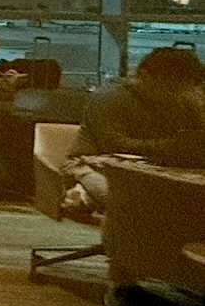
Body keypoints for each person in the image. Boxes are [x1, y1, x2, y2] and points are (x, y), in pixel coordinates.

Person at [63, 45, 205, 215]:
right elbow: (111, 143)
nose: (177, 93)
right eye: (170, 84)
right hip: (96, 164)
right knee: (130, 200)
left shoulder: (183, 100)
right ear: (146, 76)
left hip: (158, 169)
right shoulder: (111, 97)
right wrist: (167, 146)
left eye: (184, 86)